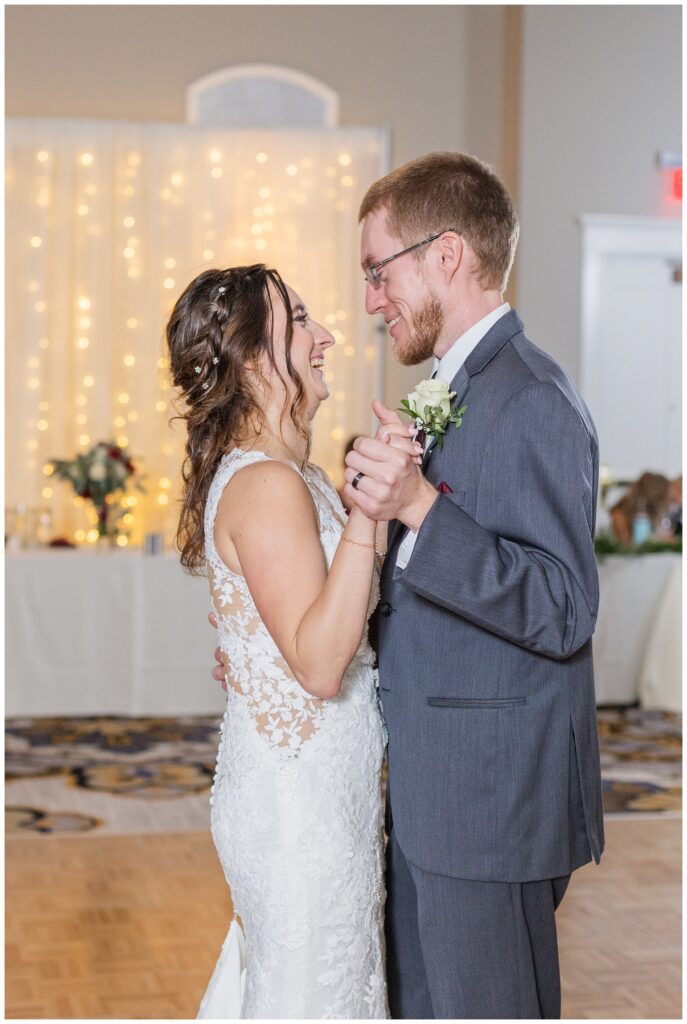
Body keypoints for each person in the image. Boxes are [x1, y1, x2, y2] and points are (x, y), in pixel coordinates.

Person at [213, 153, 605, 1019]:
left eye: (377, 271)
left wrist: (422, 505)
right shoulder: (452, 389)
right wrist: (273, 653)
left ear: (446, 254)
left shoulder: (529, 397)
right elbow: (427, 593)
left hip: (490, 806)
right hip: (432, 800)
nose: (368, 301)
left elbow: (564, 607)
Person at [167, 265, 411, 1018]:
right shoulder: (268, 483)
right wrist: (371, 514)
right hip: (297, 809)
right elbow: (317, 663)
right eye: (300, 321)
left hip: (319, 794)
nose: (326, 336)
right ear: (247, 359)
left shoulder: (290, 475)